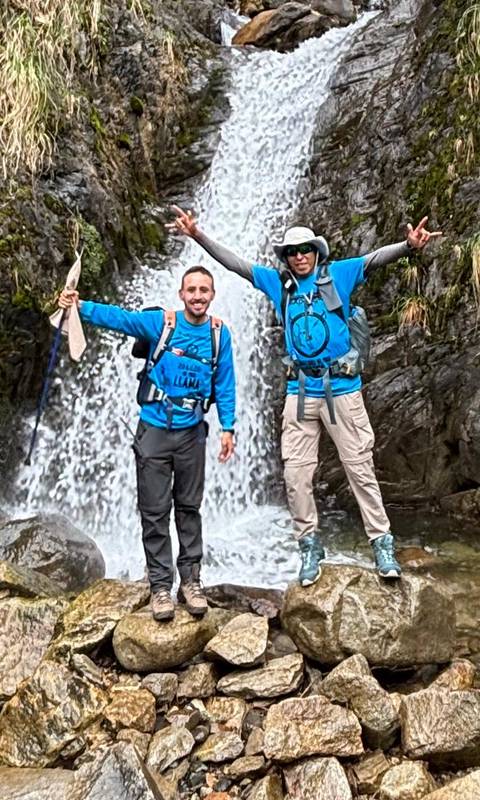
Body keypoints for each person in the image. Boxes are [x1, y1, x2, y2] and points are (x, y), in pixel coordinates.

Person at [168, 207, 441, 586]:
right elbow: (236, 265)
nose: (299, 256)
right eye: (292, 251)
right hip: (299, 393)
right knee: (296, 476)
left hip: (343, 391)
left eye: (305, 249)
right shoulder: (277, 285)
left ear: (316, 251)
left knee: (359, 470)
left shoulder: (338, 275)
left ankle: (382, 543)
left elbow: (374, 258)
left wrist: (409, 247)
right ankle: (309, 546)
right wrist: (198, 235)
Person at [58, 265, 235, 621]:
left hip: (192, 434)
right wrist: (79, 306)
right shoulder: (162, 324)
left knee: (189, 509)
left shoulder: (220, 334)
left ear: (212, 295)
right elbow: (119, 319)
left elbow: (226, 381)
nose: (198, 296)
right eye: (192, 290)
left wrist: (227, 427)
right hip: (153, 431)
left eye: (204, 290)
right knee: (154, 513)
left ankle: (191, 581)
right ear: (181, 294)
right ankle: (159, 588)